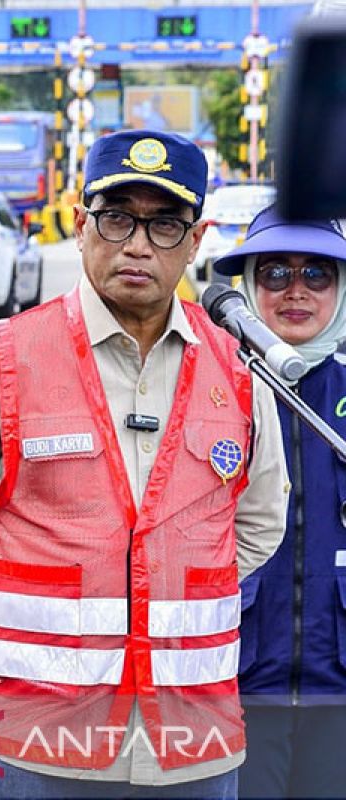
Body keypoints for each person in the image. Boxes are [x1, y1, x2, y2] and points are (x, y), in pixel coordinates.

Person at [0, 130, 289, 799]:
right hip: (38, 741)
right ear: (81, 228)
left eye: (165, 225)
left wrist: (169, 591)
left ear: (195, 244)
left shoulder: (238, 371)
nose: (137, 245)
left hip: (193, 743)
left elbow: (257, 524)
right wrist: (21, 608)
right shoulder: (4, 358)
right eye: (117, 219)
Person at [213, 208, 346, 800]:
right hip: (233, 687)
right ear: (248, 287)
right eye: (275, 273)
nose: (296, 290)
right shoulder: (210, 388)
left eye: (318, 273)